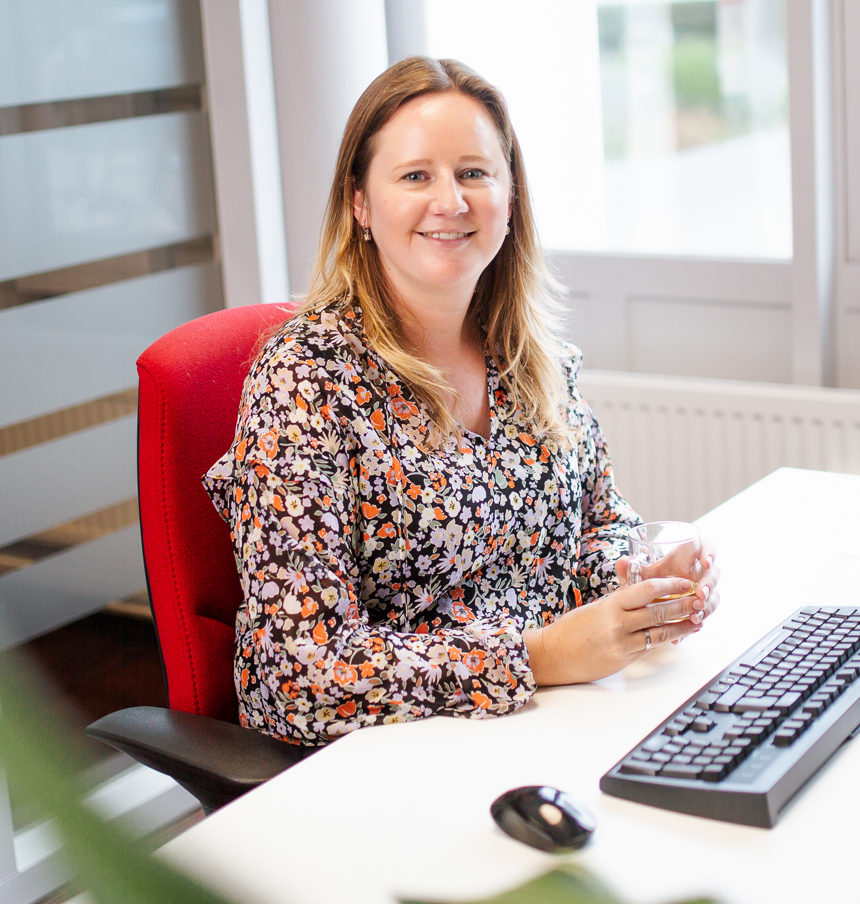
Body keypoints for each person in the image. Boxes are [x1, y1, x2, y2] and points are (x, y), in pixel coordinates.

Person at [204, 56, 719, 747]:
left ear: (510, 198)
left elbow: (594, 531)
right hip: (390, 754)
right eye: (416, 176)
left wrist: (644, 584)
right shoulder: (306, 378)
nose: (450, 202)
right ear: (360, 204)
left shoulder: (533, 357)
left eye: (474, 172)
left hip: (547, 720)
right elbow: (299, 672)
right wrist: (540, 657)